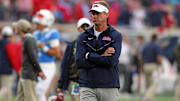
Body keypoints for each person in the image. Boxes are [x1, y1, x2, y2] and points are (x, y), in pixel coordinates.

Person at [75, 1, 122, 101]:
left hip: (109, 85)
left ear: (106, 14)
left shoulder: (115, 35)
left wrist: (89, 56)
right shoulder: (83, 36)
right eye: (93, 13)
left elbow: (111, 62)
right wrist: (102, 56)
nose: (94, 16)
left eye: (98, 13)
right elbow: (79, 62)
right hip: (87, 85)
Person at [57, 18, 91, 101]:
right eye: (83, 27)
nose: (85, 29)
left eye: (87, 27)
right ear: (78, 29)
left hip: (89, 82)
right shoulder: (71, 45)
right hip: (75, 81)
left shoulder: (95, 44)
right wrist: (60, 85)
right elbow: (65, 65)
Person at [32, 9, 61, 101]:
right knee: (35, 91)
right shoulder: (36, 33)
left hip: (47, 66)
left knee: (40, 90)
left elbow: (57, 54)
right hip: (36, 65)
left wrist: (44, 47)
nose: (37, 24)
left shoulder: (52, 33)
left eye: (39, 23)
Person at [15, 19, 46, 101]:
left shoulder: (29, 39)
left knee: (30, 98)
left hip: (29, 75)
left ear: (20, 29)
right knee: (19, 98)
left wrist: (39, 71)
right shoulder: (27, 39)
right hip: (25, 74)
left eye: (16, 27)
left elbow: (33, 57)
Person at [0, 26, 21, 101]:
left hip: (1, 68)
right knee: (6, 88)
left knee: (8, 91)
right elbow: (13, 58)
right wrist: (18, 69)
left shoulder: (1, 42)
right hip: (6, 69)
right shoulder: (9, 44)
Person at [141, 34, 162, 101]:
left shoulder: (145, 46)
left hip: (145, 65)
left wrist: (141, 67)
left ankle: (150, 98)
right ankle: (146, 97)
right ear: (156, 38)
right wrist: (161, 65)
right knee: (155, 83)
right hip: (153, 66)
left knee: (148, 84)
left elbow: (141, 57)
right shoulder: (156, 46)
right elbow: (158, 57)